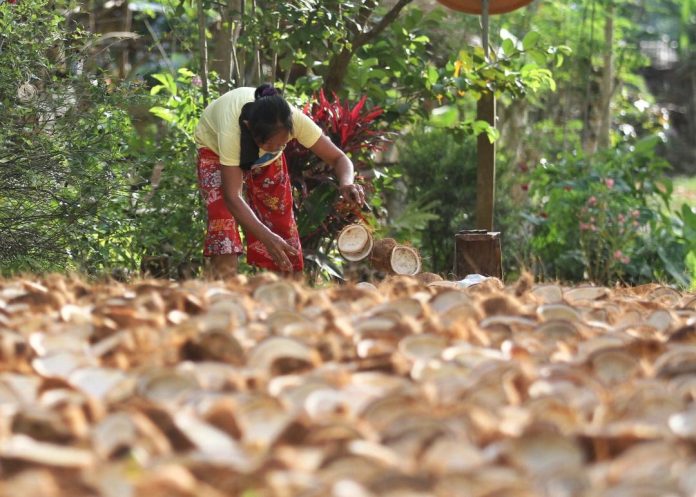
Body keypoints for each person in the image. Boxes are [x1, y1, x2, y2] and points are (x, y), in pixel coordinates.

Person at [194, 83, 365, 278]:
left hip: (267, 163)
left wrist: (346, 183)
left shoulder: (295, 120)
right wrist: (265, 237)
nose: (275, 148)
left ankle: (289, 298)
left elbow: (339, 158)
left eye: (281, 145)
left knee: (283, 228)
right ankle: (224, 296)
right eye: (268, 144)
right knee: (223, 223)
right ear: (250, 129)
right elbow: (232, 197)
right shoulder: (231, 131)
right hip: (215, 150)